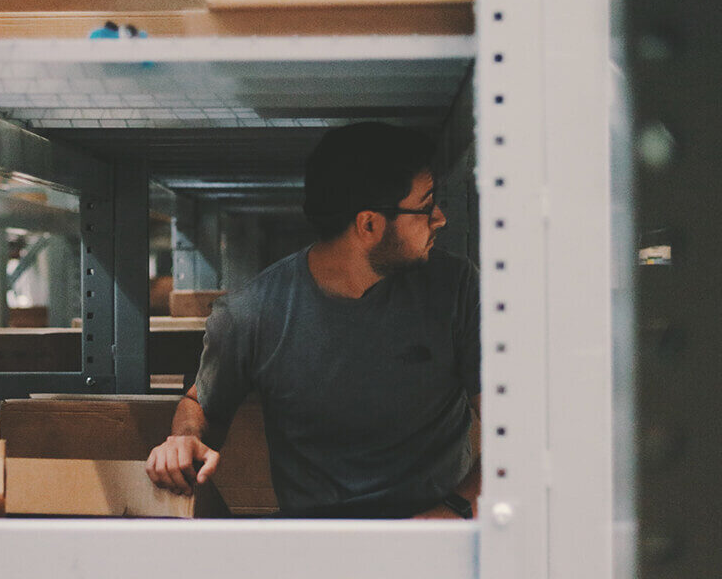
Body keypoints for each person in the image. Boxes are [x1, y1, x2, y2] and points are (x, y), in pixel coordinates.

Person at [145, 122, 481, 519]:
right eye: (425, 206)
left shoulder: (456, 288)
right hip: (315, 544)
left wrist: (455, 510)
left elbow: (513, 430)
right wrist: (182, 440)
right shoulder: (252, 313)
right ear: (369, 224)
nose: (439, 218)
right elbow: (200, 403)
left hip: (440, 533)